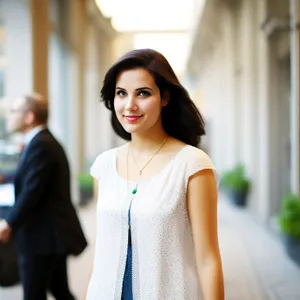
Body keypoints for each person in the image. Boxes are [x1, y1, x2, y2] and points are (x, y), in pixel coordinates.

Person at [86, 49, 224, 300]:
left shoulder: (192, 164)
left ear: (165, 97)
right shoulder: (104, 165)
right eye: (121, 93)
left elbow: (208, 259)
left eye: (143, 93)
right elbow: (102, 253)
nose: (130, 105)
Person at [0, 93, 88, 300]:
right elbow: (34, 181)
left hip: (42, 237)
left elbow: (32, 192)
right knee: (59, 290)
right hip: (49, 236)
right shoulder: (40, 141)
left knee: (35, 294)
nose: (8, 116)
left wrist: (8, 223)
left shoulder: (42, 144)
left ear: (30, 117)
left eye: (14, 111)